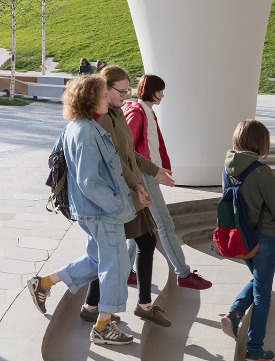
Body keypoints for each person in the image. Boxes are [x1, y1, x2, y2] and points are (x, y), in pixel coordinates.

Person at [27, 75, 152, 346]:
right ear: (91, 99)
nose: (108, 99)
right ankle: (103, 327)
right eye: (103, 95)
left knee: (97, 261)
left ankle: (44, 283)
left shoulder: (78, 127)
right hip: (101, 210)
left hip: (93, 210)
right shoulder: (85, 132)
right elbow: (88, 181)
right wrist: (119, 204)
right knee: (115, 264)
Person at [88, 65, 174, 328]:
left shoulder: (116, 112)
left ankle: (95, 304)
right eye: (122, 91)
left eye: (128, 90)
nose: (127, 95)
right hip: (119, 192)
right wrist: (138, 184)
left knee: (141, 243)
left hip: (128, 189)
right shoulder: (102, 117)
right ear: (106, 88)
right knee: (117, 250)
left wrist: (155, 171)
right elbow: (114, 159)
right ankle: (135, 305)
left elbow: (130, 153)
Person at [220, 120, 275, 361]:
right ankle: (254, 350)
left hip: (240, 240)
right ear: (261, 143)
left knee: (258, 281)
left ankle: (235, 313)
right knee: (263, 295)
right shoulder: (261, 171)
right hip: (264, 240)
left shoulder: (227, 168)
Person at [123, 74, 213, 290]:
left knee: (141, 228)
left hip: (145, 175)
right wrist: (149, 173)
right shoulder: (137, 112)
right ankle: (183, 273)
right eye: (160, 90)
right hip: (143, 176)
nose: (163, 95)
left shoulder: (145, 111)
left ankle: (125, 271)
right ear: (150, 90)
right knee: (164, 223)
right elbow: (128, 150)